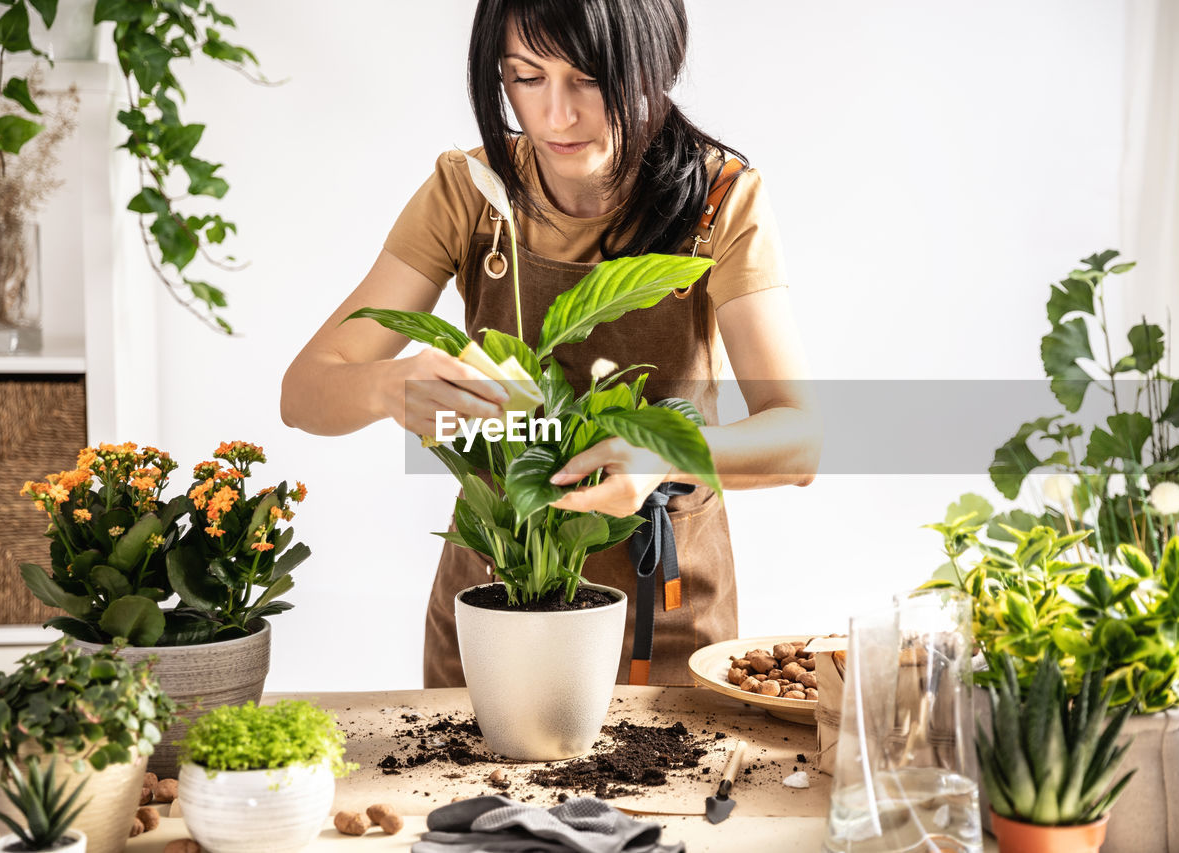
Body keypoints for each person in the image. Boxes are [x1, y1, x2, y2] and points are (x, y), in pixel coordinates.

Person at [281, 0, 820, 688]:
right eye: (525, 77)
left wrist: (659, 455)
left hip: (662, 628)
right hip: (491, 614)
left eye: (588, 78)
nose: (556, 116)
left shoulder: (719, 202)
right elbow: (303, 392)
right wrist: (390, 386)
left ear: (655, 61)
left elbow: (801, 440)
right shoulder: (470, 192)